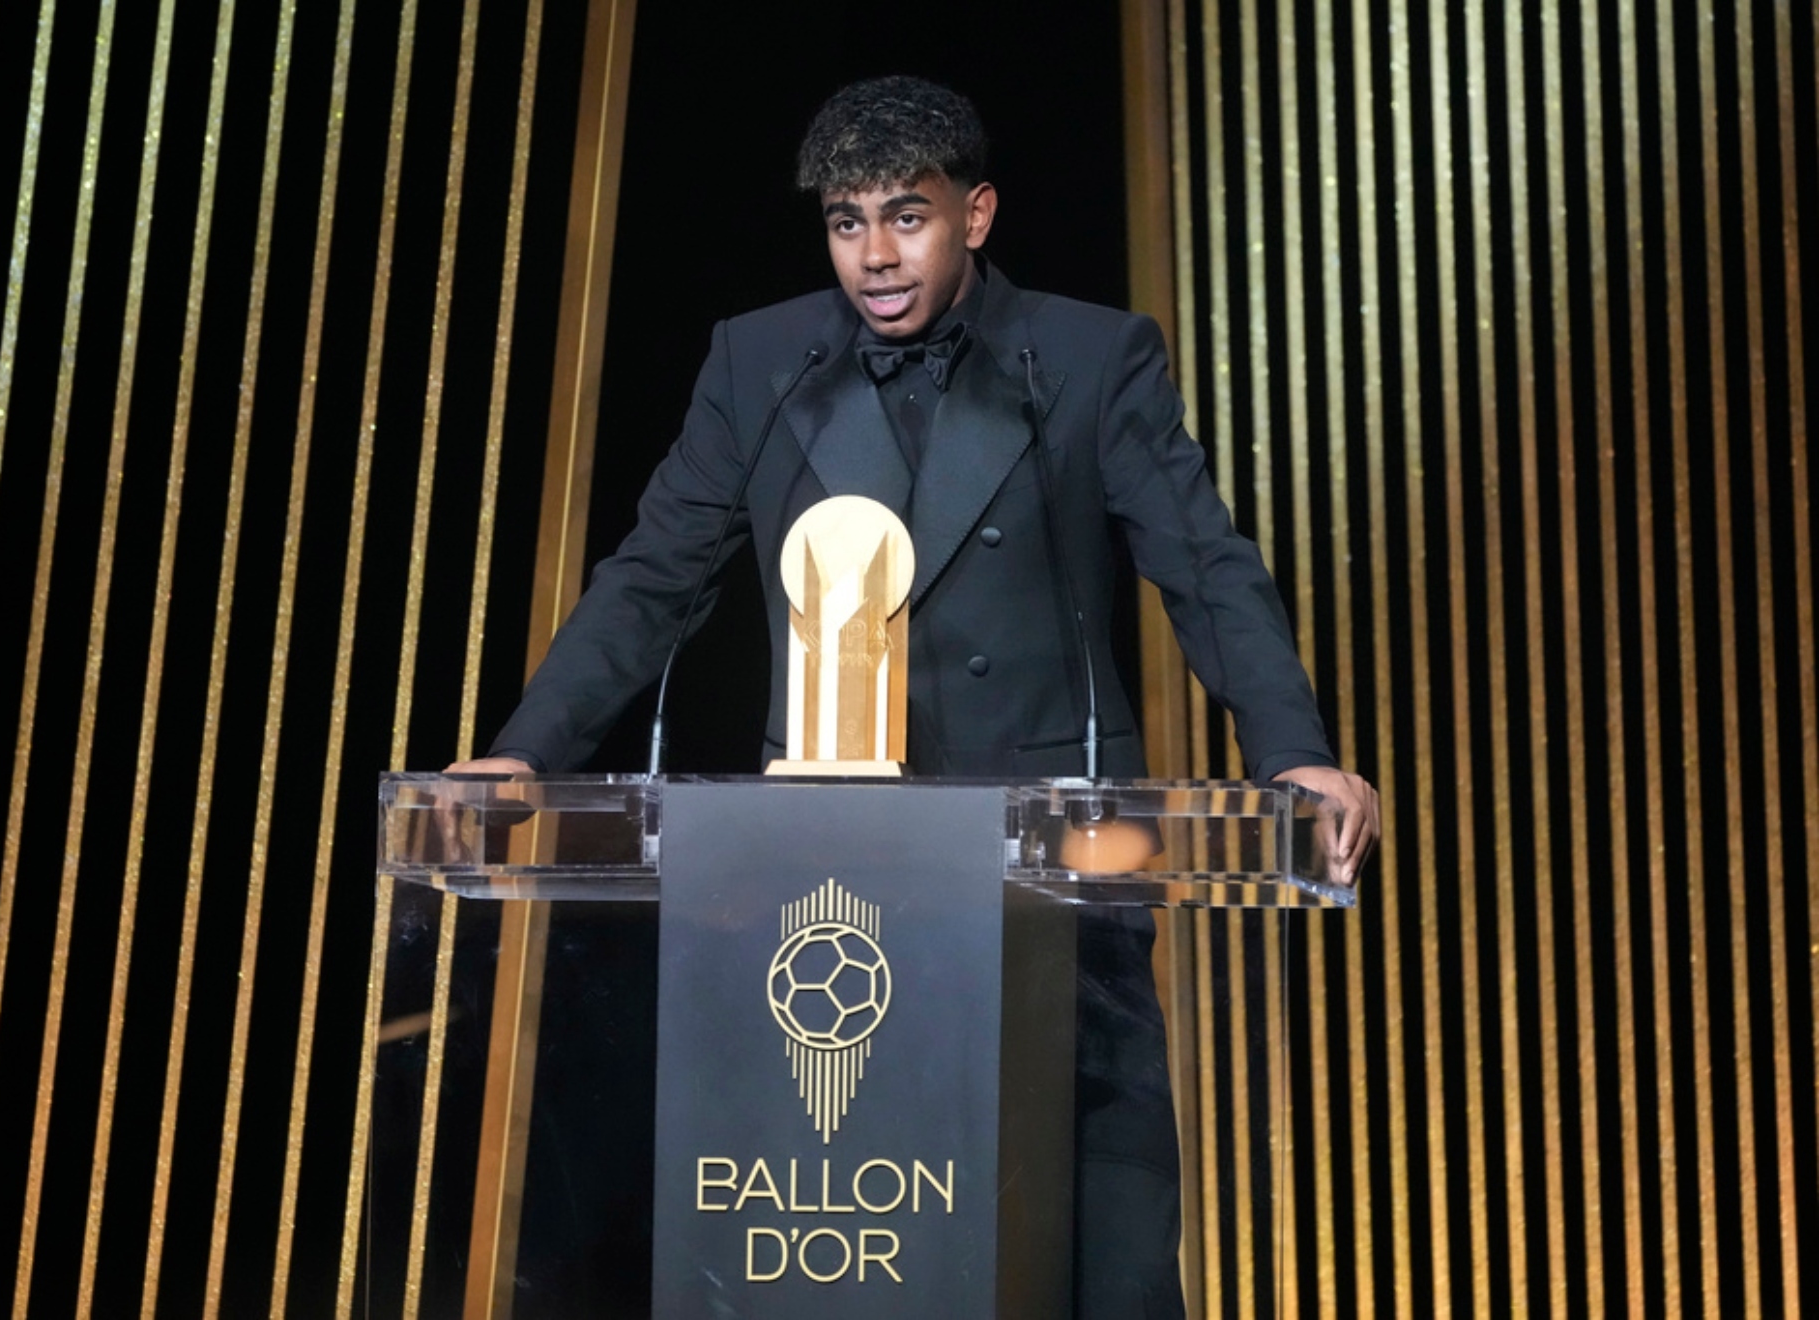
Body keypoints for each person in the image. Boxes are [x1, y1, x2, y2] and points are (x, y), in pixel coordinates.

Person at [453, 75, 1377, 1317]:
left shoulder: (1094, 358)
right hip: (831, 866)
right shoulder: (761, 362)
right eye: (847, 223)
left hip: (1057, 863)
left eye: (907, 217)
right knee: (853, 1226)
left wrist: (1292, 752)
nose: (875, 257)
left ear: (975, 214)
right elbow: (653, 579)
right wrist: (523, 752)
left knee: (1096, 1225)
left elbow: (1204, 568)